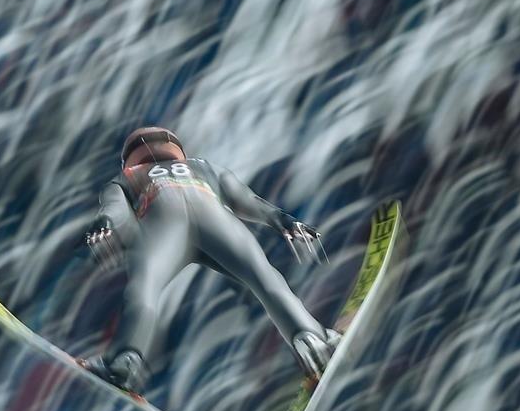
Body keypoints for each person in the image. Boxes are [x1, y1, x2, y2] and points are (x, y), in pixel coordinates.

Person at [81, 126, 340, 394]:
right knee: (264, 278)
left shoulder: (125, 177)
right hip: (214, 216)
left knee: (144, 289)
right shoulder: (203, 166)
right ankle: (311, 339)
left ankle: (124, 361)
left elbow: (115, 211)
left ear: (130, 158)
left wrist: (105, 224)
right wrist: (283, 220)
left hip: (162, 224)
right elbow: (247, 200)